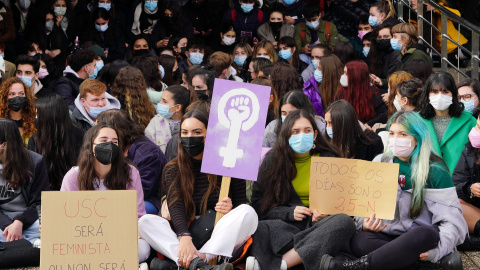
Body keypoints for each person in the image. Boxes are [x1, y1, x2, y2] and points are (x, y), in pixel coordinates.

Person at [320, 111, 466, 270]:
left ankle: (355, 267)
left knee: (426, 234)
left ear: (417, 138)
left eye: (403, 134)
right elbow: (364, 206)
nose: (395, 139)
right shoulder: (380, 162)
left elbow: (453, 223)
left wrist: (436, 251)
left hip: (418, 238)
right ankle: (422, 265)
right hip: (387, 235)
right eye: (392, 133)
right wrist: (365, 224)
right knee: (360, 241)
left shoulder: (435, 170)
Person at [138, 109, 258, 269]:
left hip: (219, 238)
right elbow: (176, 205)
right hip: (185, 234)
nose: (190, 138)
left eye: (197, 132)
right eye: (185, 132)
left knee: (247, 212)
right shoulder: (173, 168)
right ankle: (196, 264)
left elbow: (240, 204)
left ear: (211, 134)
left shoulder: (229, 164)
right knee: (145, 221)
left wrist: (230, 209)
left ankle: (198, 260)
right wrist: (184, 236)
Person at [248, 109, 355, 270]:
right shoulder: (272, 161)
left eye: (307, 131)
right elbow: (258, 205)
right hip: (285, 226)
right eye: (295, 131)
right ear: (286, 135)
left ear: (315, 135)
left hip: (319, 225)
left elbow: (346, 202)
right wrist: (289, 213)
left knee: (344, 222)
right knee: (262, 229)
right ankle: (310, 252)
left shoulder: (331, 159)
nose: (301, 135)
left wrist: (328, 212)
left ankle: (281, 263)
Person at [61, 123, 150, 264]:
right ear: (91, 145)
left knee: (142, 248)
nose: (109, 145)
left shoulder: (130, 172)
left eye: (114, 142)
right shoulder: (74, 176)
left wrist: (134, 232)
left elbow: (138, 214)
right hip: (86, 239)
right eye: (103, 141)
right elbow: (64, 218)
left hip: (120, 236)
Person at [96, 109, 167, 215]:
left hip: (149, 200)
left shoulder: (148, 153)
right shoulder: (109, 148)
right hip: (112, 198)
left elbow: (143, 190)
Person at [0, 118, 49, 244]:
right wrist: (9, 226)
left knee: (52, 227)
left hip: (30, 219)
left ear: (4, 145)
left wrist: (19, 222)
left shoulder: (35, 161)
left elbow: (40, 202)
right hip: (3, 221)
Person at [418, 71, 476, 174]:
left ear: (453, 94)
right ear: (427, 94)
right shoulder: (416, 120)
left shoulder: (469, 121)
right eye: (435, 91)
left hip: (459, 184)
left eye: (445, 91)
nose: (440, 96)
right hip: (426, 182)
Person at [28, 95, 84, 190]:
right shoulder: (35, 139)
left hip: (76, 191)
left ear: (49, 116)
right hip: (46, 193)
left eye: (38, 115)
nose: (35, 118)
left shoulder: (83, 137)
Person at [453, 114, 480, 249]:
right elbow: (456, 184)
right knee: (454, 204)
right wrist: (470, 188)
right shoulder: (470, 151)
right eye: (477, 126)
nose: (476, 131)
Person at [335, 60, 386, 127]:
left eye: (346, 73)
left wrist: (364, 126)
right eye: (344, 72)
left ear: (356, 76)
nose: (343, 76)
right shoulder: (340, 93)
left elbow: (380, 118)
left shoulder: (376, 95)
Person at [145, 85, 190, 153]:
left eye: (165, 101)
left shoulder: (189, 125)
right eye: (161, 99)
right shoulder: (156, 121)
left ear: (177, 107)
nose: (159, 103)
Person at [0, 77, 35, 143]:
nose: (17, 97)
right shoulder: (1, 123)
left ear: (26, 96)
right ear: (5, 97)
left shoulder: (33, 123)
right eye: (12, 94)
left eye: (21, 94)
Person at [368, 24, 400, 90]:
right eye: (379, 37)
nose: (382, 39)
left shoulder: (396, 55)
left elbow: (393, 80)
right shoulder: (375, 53)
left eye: (386, 36)